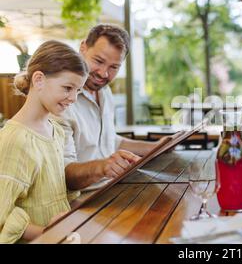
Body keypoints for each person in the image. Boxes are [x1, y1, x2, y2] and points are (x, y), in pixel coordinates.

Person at [56, 24, 170, 192]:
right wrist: (103, 167)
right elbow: (62, 175)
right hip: (80, 200)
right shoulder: (61, 98)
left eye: (113, 67)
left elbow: (109, 142)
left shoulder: (104, 91)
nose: (103, 73)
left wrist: (156, 147)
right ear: (83, 48)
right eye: (98, 61)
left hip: (110, 188)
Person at [0, 40, 88, 243]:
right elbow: (2, 215)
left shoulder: (56, 130)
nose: (74, 97)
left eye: (79, 90)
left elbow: (57, 192)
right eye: (68, 88)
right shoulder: (15, 140)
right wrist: (46, 233)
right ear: (38, 80)